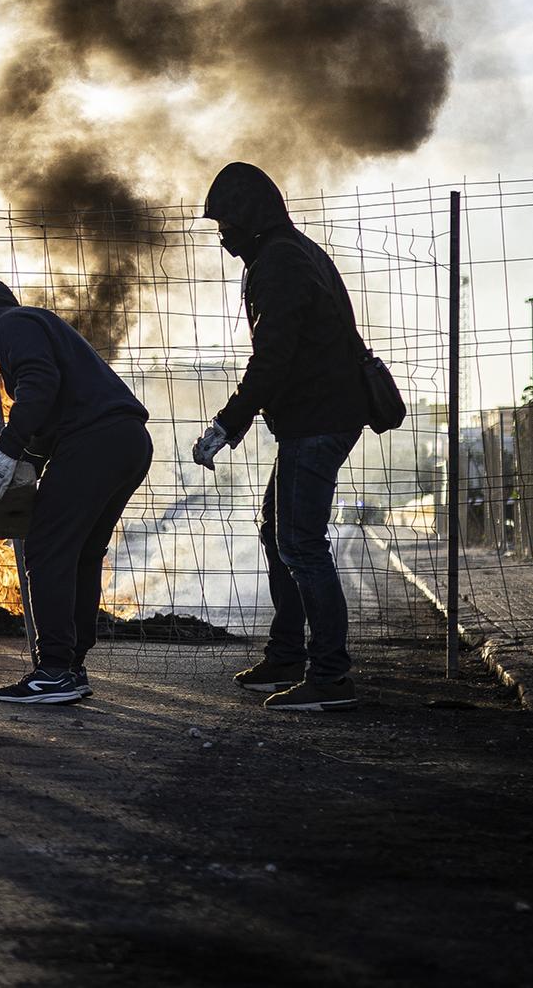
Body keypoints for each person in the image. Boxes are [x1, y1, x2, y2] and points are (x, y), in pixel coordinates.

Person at [192, 161, 368, 712]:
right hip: (318, 416)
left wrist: (229, 421)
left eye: (226, 224)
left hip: (319, 420)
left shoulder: (280, 263)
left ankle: (330, 677)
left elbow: (273, 357)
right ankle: (288, 655)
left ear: (249, 217)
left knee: (300, 543)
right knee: (277, 531)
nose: (222, 236)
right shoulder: (292, 253)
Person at [0, 274, 152, 706]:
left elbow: (39, 386)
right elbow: (46, 420)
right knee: (80, 552)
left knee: (47, 549)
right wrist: (25, 470)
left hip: (94, 441)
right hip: (126, 442)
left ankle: (55, 670)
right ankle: (71, 666)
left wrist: (6, 451)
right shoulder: (33, 324)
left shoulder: (12, 325)